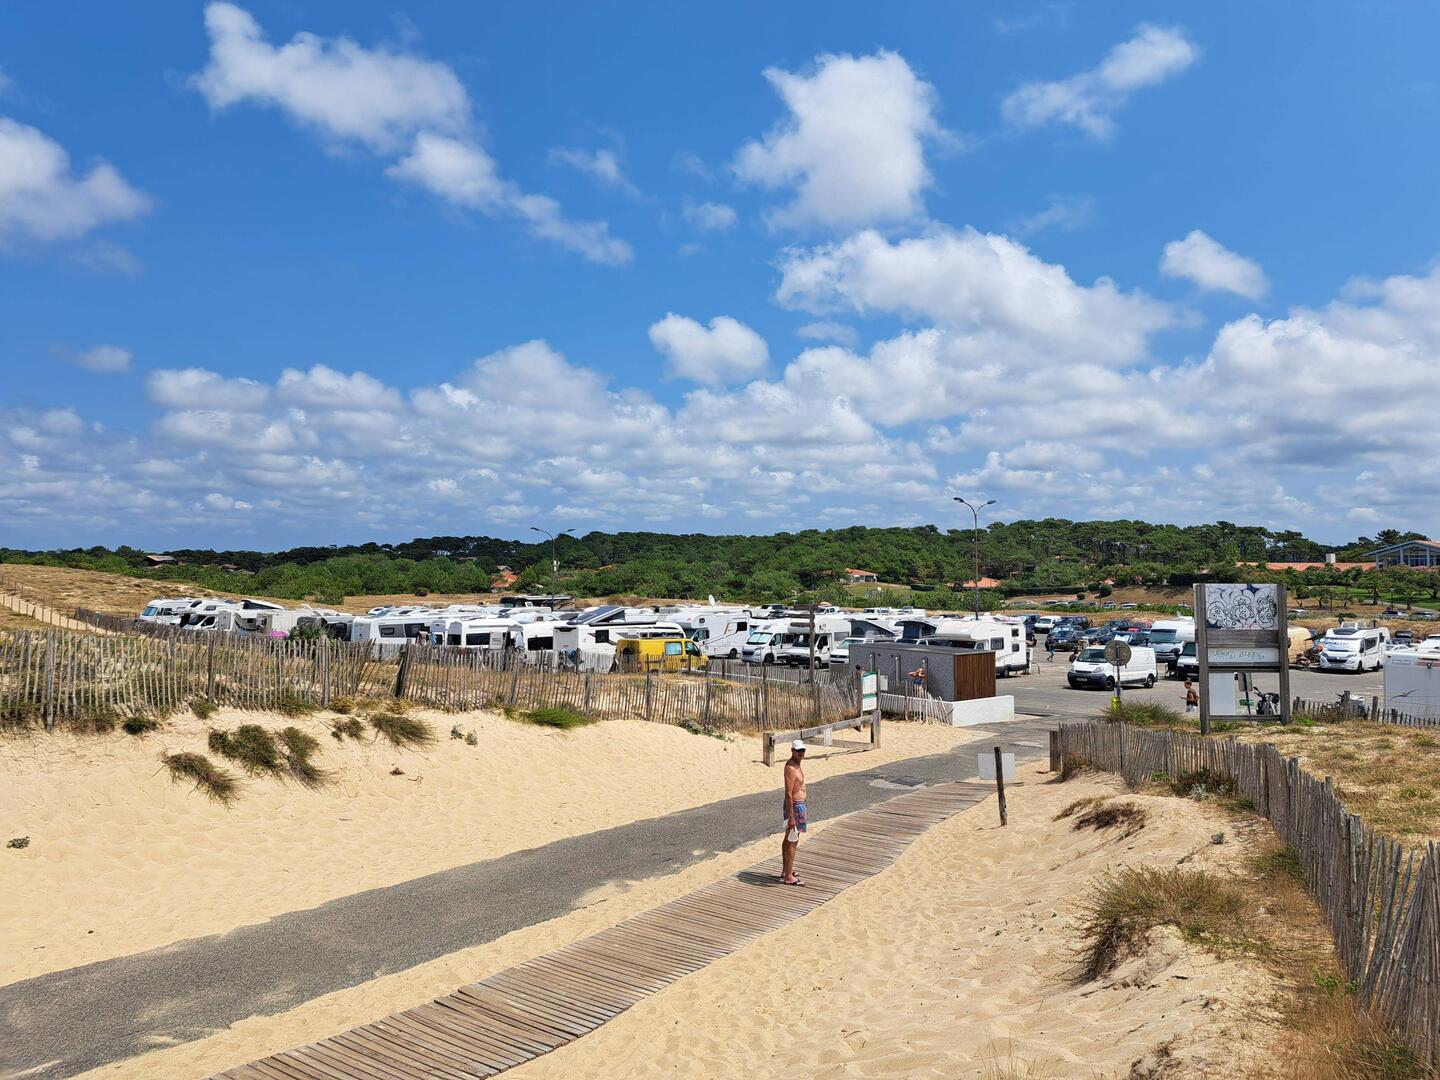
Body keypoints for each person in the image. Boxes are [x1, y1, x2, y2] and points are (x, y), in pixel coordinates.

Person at [780, 739, 807, 886]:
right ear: (792, 751)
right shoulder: (791, 767)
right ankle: (789, 876)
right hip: (795, 806)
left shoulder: (797, 765)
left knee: (789, 838)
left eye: (803, 750)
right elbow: (788, 793)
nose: (801, 753)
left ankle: (786, 870)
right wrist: (791, 816)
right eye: (798, 751)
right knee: (792, 839)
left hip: (799, 805)